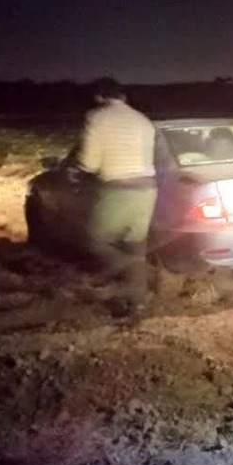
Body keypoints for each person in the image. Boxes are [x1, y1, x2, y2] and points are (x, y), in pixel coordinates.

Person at [76, 77, 158, 317]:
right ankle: (137, 302)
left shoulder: (97, 117)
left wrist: (81, 169)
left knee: (97, 241)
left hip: (118, 188)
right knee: (136, 244)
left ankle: (129, 283)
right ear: (123, 97)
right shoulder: (143, 121)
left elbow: (89, 163)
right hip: (148, 189)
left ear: (99, 97)